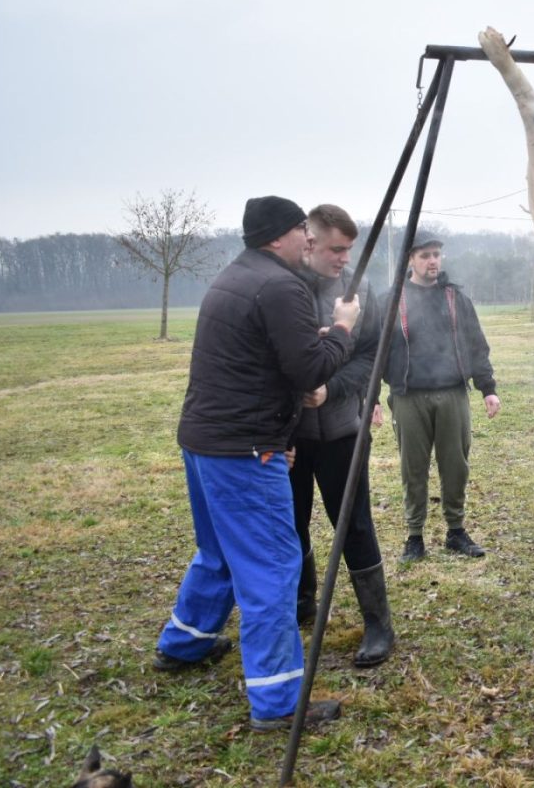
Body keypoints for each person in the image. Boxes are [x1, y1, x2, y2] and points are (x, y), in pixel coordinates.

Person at [154, 195, 359, 732]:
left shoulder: (235, 278)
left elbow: (255, 362)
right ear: (277, 237)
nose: (309, 241)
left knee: (218, 550)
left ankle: (184, 643)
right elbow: (306, 371)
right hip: (245, 452)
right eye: (302, 232)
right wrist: (341, 329)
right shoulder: (281, 285)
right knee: (270, 568)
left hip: (204, 442)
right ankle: (278, 702)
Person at [290, 204, 395, 668]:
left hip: (342, 431)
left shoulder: (362, 290)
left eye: (349, 250)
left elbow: (371, 355)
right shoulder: (282, 285)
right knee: (290, 523)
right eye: (336, 249)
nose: (343, 259)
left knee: (353, 524)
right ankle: (302, 600)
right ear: (309, 240)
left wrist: (331, 389)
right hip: (288, 434)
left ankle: (378, 623)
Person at [382, 230, 501, 562]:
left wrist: (488, 389)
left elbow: (477, 345)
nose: (432, 261)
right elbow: (375, 350)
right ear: (411, 259)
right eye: (425, 255)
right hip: (408, 397)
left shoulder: (456, 299)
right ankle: (414, 536)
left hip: (452, 394)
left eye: (436, 254)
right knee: (413, 468)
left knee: (455, 465)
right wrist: (371, 398)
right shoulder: (392, 300)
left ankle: (455, 530)